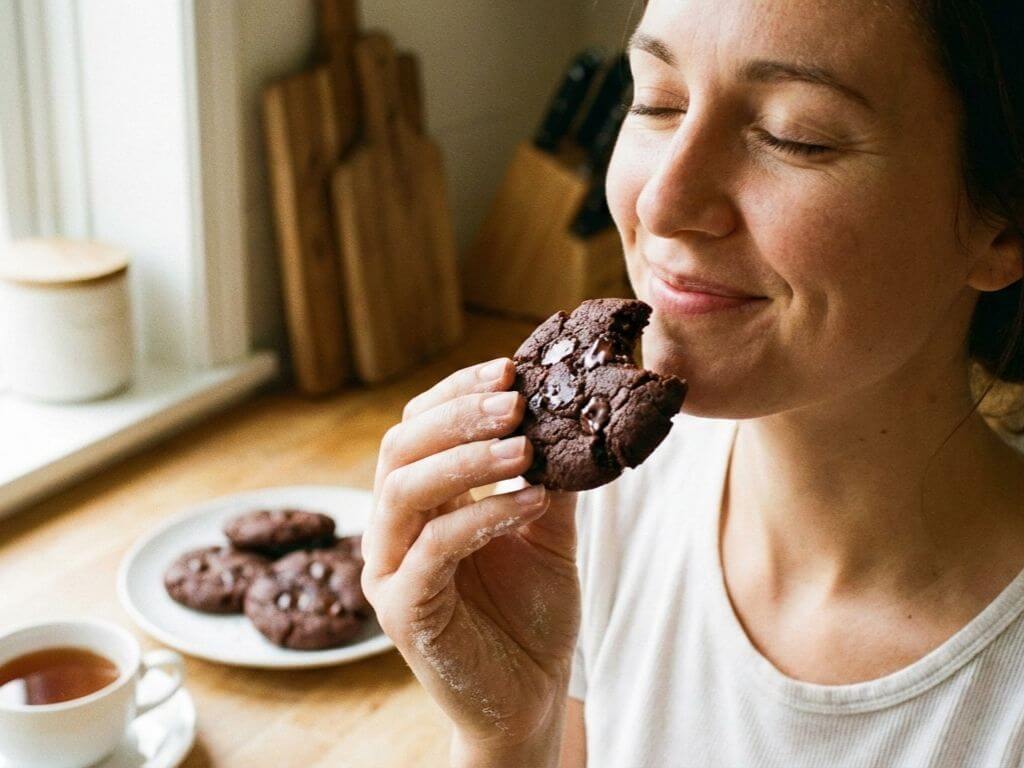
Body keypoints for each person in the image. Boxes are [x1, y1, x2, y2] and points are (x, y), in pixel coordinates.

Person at [360, 0, 1024, 765]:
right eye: (656, 101)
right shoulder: (590, 514)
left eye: (795, 136)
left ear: (1003, 228)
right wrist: (506, 733)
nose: (662, 201)